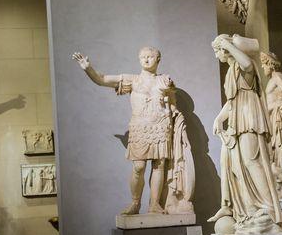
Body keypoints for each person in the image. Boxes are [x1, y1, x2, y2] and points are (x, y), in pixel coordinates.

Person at [72, 47, 193, 215]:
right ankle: (135, 203)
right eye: (143, 57)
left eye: (150, 57)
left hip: (160, 127)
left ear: (158, 59)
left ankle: (155, 205)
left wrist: (181, 131)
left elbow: (173, 108)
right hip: (140, 127)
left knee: (159, 166)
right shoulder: (132, 80)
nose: (146, 59)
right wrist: (88, 68)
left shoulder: (165, 80)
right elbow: (102, 80)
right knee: (139, 167)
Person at [208, 34, 282, 234]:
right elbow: (232, 101)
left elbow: (248, 64)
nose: (217, 55)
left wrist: (228, 45)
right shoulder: (231, 71)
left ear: (226, 48)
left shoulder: (243, 66)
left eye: (217, 50)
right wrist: (219, 118)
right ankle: (252, 210)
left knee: (252, 161)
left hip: (249, 119)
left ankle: (268, 210)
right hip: (237, 119)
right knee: (239, 167)